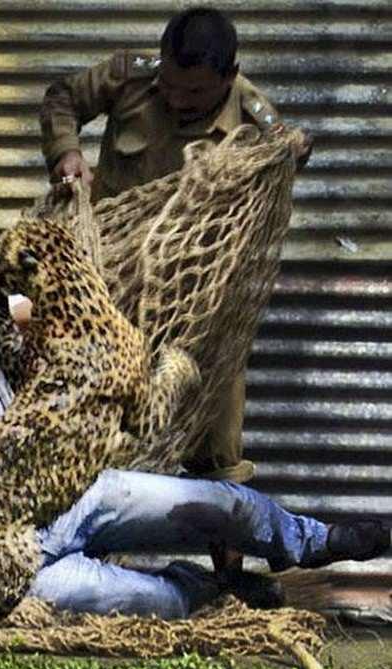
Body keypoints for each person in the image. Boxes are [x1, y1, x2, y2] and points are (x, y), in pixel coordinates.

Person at [0, 239, 390, 623]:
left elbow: (63, 313)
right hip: (12, 559)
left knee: (223, 505)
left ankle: (318, 540)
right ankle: (228, 595)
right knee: (146, 602)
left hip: (79, 492)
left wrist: (15, 278)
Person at [39, 7, 311, 575]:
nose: (177, 97)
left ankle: (229, 583)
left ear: (228, 76)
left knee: (218, 446)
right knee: (102, 430)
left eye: (193, 91)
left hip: (202, 307)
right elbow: (62, 96)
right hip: (115, 291)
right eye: (169, 81)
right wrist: (66, 152)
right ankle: (84, 565)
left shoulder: (254, 115)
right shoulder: (129, 76)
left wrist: (291, 153)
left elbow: (285, 156)